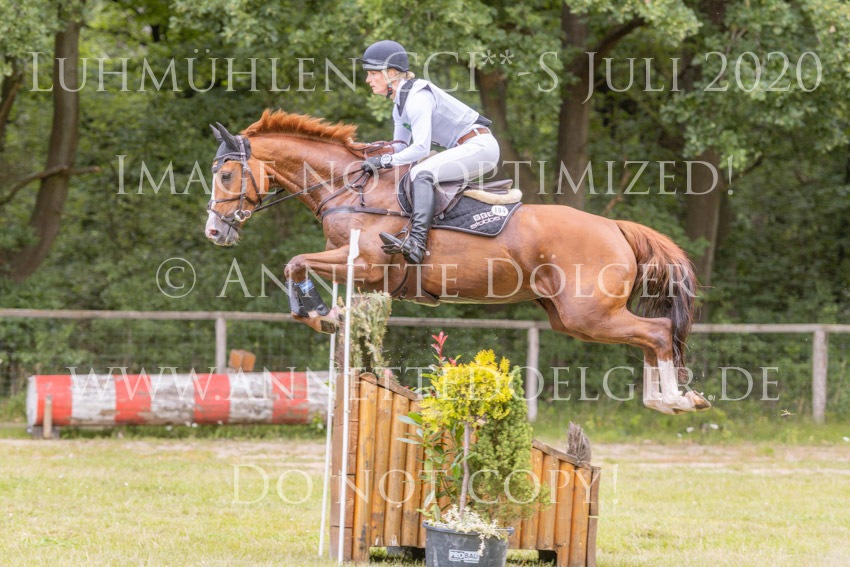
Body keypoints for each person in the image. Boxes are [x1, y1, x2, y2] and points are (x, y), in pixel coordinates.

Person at [358, 40, 500, 264]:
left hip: (480, 146)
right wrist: (364, 152)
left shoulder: (417, 98)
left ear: (391, 73)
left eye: (373, 73)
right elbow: (400, 147)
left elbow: (421, 148)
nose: (368, 79)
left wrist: (384, 160)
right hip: (466, 147)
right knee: (414, 171)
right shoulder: (399, 106)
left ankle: (417, 243)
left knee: (420, 173)